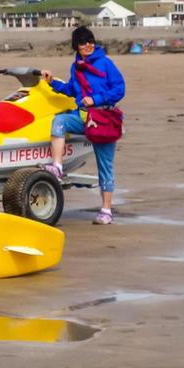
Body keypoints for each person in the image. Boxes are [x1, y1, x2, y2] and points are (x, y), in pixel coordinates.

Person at [41, 25, 124, 225]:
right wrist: (52, 82)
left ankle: (106, 210)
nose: (87, 45)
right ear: (76, 46)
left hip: (103, 118)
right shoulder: (75, 66)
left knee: (105, 165)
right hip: (83, 118)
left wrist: (95, 99)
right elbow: (71, 89)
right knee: (59, 121)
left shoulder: (106, 63)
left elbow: (119, 89)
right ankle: (57, 166)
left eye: (90, 41)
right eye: (82, 42)